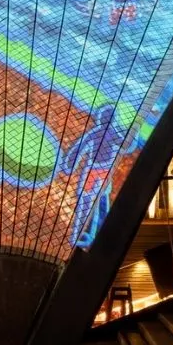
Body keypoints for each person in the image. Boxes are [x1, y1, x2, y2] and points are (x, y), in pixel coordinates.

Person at [64, 106, 121, 249]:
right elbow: (80, 148)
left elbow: (79, 149)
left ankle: (90, 233)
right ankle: (84, 233)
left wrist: (71, 163)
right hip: (96, 171)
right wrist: (70, 164)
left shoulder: (103, 133)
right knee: (92, 201)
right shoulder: (102, 133)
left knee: (95, 201)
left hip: (99, 171)